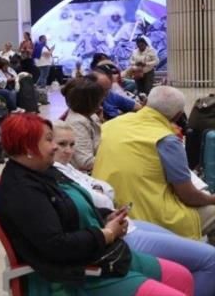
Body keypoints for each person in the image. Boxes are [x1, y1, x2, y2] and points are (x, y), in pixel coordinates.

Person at [0, 113, 195, 296]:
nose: (55, 146)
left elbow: (70, 208)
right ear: (28, 148)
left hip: (103, 256)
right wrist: (107, 234)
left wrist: (105, 216)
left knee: (183, 276)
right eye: (49, 140)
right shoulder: (22, 192)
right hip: (81, 276)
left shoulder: (43, 172)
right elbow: (57, 246)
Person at [52, 122, 215, 296]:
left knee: (194, 260)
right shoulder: (162, 136)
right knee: (210, 259)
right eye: (61, 144)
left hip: (124, 225)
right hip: (117, 238)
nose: (69, 151)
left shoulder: (69, 166)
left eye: (71, 145)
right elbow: (187, 194)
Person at [93, 86, 215, 241]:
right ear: (177, 115)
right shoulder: (166, 139)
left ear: (146, 102)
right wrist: (212, 199)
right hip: (147, 219)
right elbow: (188, 196)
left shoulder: (111, 125)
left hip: (108, 211)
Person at [60, 75, 106, 172]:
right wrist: (115, 159)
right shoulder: (77, 123)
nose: (101, 102)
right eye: (99, 99)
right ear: (90, 102)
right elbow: (85, 162)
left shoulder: (91, 115)